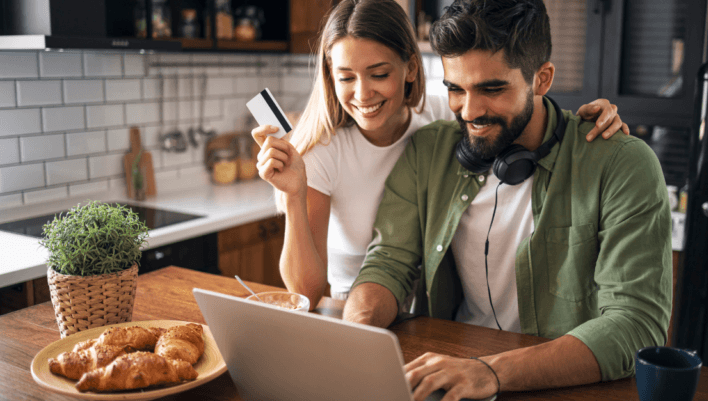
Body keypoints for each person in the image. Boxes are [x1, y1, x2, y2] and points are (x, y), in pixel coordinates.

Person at [342, 0, 672, 400]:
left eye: (492, 89)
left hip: (560, 383)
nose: (470, 111)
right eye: (455, 89)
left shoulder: (621, 164)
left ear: (542, 78)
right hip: (453, 375)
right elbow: (388, 262)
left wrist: (489, 372)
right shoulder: (429, 152)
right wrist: (352, 336)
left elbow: (634, 324)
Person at [252, 0, 628, 310]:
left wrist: (581, 123)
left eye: (378, 74)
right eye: (346, 77)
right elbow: (306, 292)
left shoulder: (440, 116)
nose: (362, 94)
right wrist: (295, 194)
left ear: (410, 69)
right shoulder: (322, 151)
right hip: (357, 307)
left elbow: (511, 111)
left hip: (424, 310)